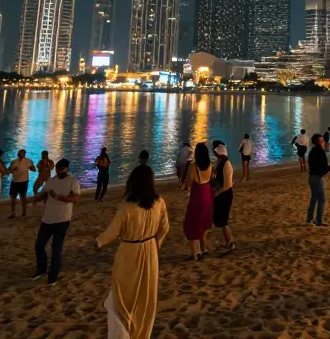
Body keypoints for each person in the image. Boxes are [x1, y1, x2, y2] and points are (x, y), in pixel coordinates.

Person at [97, 165, 170, 339]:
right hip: (150, 251)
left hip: (129, 251)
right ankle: (142, 333)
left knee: (123, 297)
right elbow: (165, 227)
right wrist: (156, 243)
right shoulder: (159, 203)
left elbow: (113, 231)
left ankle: (124, 332)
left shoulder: (128, 207)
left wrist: (99, 241)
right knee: (146, 296)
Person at [33, 159, 79, 284]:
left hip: (62, 219)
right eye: (58, 169)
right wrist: (38, 198)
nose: (59, 172)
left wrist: (59, 197)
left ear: (66, 169)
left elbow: (75, 198)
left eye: (62, 169)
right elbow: (45, 193)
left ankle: (53, 276)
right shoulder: (51, 181)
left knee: (56, 248)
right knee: (39, 245)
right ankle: (41, 269)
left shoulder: (72, 181)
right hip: (47, 218)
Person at [184, 143, 214, 259]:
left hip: (198, 195)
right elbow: (211, 179)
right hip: (207, 193)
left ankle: (195, 254)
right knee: (203, 222)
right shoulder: (210, 164)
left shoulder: (193, 166)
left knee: (191, 223)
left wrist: (185, 185)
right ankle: (204, 249)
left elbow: (188, 183)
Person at [210, 142, 236, 252]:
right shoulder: (219, 162)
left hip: (225, 195)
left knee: (223, 220)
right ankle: (228, 242)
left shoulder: (226, 164)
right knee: (220, 220)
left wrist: (217, 193)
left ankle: (230, 243)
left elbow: (228, 185)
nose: (214, 152)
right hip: (220, 193)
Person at [306, 133, 330, 227]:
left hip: (312, 177)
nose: (323, 142)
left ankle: (309, 219)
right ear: (319, 142)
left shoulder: (312, 151)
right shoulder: (320, 151)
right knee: (322, 199)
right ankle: (318, 221)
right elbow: (324, 165)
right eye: (322, 141)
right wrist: (326, 170)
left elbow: (311, 164)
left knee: (314, 198)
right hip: (318, 177)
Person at [8, 149, 35, 219]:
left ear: (24, 154)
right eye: (18, 153)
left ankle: (24, 212)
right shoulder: (14, 161)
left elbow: (34, 169)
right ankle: (13, 213)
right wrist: (11, 169)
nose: (18, 154)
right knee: (13, 197)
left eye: (20, 153)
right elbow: (9, 170)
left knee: (23, 197)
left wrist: (31, 167)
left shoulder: (28, 161)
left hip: (23, 181)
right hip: (15, 181)